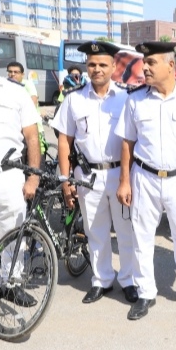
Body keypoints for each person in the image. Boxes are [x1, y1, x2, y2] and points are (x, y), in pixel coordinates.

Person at [115, 41, 176, 321]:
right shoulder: (135, 100)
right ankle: (146, 292)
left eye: (151, 62)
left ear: (171, 65)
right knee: (142, 238)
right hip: (144, 177)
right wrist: (124, 181)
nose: (144, 67)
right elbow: (127, 143)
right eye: (144, 62)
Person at [52, 40, 137, 305]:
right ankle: (101, 280)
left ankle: (129, 280)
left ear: (113, 66)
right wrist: (66, 180)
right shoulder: (74, 98)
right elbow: (64, 140)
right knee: (94, 231)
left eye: (102, 64)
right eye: (91, 64)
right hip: (87, 175)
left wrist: (128, 178)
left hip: (121, 174)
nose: (96, 69)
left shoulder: (127, 98)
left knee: (126, 231)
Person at [0, 31, 42, 310]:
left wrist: (33, 176)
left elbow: (32, 137)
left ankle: (13, 285)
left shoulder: (14, 93)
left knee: (12, 233)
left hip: (8, 175)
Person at [6, 61, 47, 157]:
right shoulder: (5, 86)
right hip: (15, 132)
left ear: (22, 74)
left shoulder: (27, 84)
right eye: (10, 72)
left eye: (16, 72)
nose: (12, 74)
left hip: (33, 129)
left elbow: (33, 102)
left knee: (36, 159)